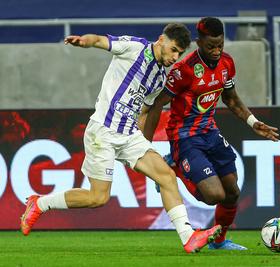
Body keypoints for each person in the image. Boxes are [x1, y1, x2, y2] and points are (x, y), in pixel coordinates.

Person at [19, 23, 222, 254]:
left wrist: (146, 147)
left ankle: (188, 237)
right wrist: (84, 41)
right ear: (161, 40)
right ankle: (39, 203)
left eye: (180, 54)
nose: (175, 57)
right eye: (174, 49)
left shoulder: (158, 78)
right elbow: (99, 40)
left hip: (129, 135)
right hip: (103, 131)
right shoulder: (134, 47)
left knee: (166, 176)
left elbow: (144, 112)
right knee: (98, 198)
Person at [142, 17, 279, 250]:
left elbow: (231, 99)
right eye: (210, 46)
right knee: (213, 196)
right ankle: (173, 165)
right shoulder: (183, 70)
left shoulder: (226, 63)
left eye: (220, 45)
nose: (216, 51)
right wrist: (143, 144)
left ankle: (219, 241)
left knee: (232, 193)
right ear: (199, 42)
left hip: (210, 132)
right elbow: (156, 105)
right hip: (185, 137)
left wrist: (252, 121)